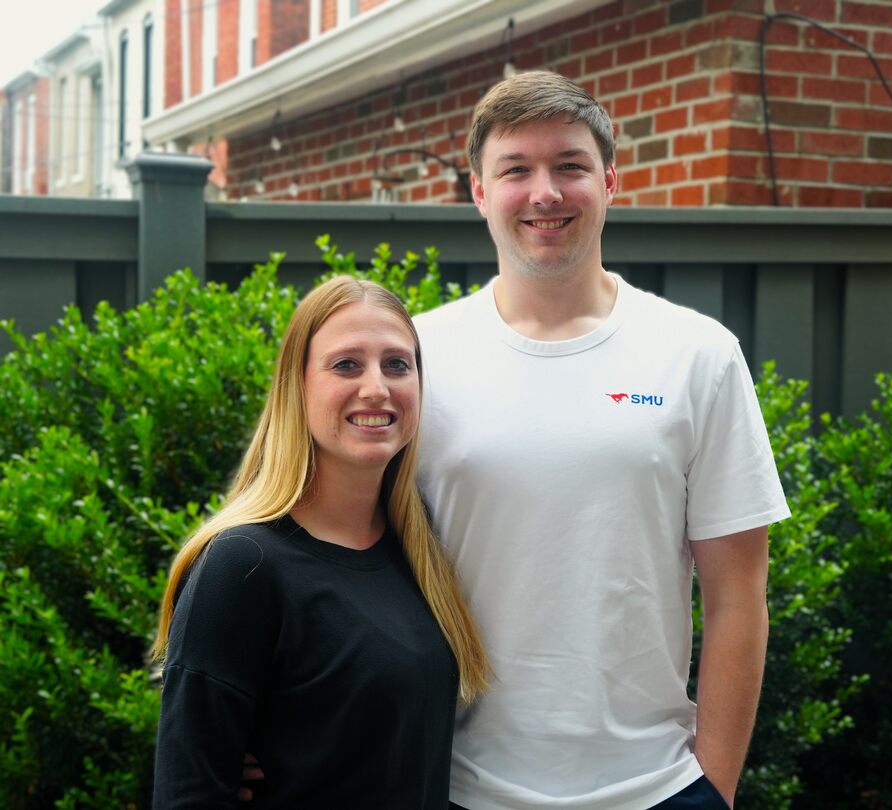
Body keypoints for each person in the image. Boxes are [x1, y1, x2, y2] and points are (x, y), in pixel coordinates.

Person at [412, 71, 790, 809]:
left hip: (657, 789)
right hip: (456, 787)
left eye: (570, 166)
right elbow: (340, 554)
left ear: (610, 181)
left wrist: (713, 787)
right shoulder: (419, 358)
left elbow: (738, 595)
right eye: (516, 169)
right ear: (479, 192)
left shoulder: (697, 355)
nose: (544, 192)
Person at [151, 277, 488, 808]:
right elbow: (189, 792)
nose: (377, 387)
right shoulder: (243, 566)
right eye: (346, 364)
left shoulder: (419, 551)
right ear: (297, 385)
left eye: (397, 364)